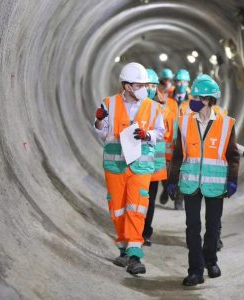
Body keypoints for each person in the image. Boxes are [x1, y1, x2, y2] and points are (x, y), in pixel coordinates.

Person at [167, 75, 240, 286]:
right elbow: (178, 155)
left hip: (215, 184)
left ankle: (211, 260)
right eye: (194, 96)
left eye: (199, 96)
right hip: (190, 183)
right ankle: (195, 270)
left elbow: (232, 155)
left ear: (209, 100)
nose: (194, 100)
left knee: (213, 227)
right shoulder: (184, 122)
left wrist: (232, 180)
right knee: (192, 227)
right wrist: (173, 180)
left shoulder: (226, 124)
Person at [94, 62, 165, 275]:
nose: (144, 88)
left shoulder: (153, 107)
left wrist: (147, 135)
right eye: (139, 85)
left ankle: (135, 255)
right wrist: (99, 121)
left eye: (145, 84)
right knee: (118, 208)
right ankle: (124, 249)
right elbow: (101, 131)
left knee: (137, 207)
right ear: (126, 86)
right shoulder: (109, 103)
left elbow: (160, 132)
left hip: (141, 164)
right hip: (115, 164)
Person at [142, 68, 177, 246]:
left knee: (149, 198)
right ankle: (134, 230)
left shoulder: (165, 106)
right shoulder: (132, 105)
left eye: (152, 85)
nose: (149, 88)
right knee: (137, 198)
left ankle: (146, 232)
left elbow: (170, 131)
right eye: (146, 84)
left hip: (154, 161)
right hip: (135, 161)